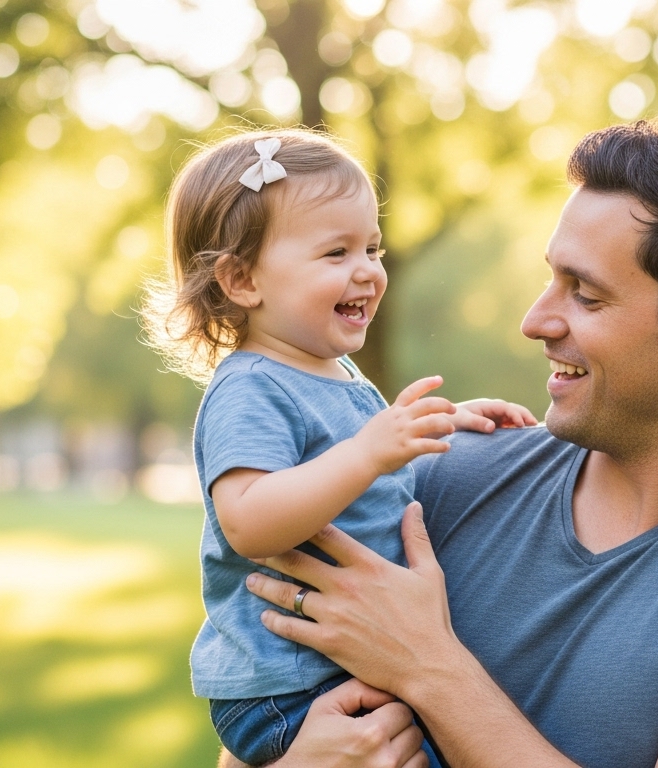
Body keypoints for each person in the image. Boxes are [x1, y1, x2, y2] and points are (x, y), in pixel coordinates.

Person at [237, 110, 658, 768]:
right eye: (552, 278)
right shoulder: (438, 479)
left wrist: (429, 667)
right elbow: (253, 728)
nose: (535, 320)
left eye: (586, 295)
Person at [145, 129, 535, 767]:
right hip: (287, 683)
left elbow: (362, 469)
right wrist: (368, 452)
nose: (369, 270)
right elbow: (248, 520)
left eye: (372, 248)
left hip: (338, 659)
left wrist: (442, 422)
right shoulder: (251, 386)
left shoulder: (332, 372)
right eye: (336, 252)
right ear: (241, 279)